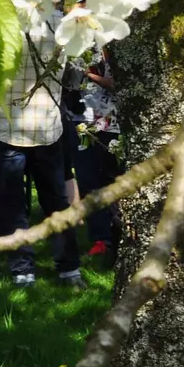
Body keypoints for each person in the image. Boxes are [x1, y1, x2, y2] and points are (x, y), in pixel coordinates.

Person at [0, 41, 84, 287]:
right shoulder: (62, 27)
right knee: (56, 200)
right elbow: (73, 80)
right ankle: (69, 269)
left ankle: (23, 270)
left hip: (5, 125)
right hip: (46, 125)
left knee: (12, 203)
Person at [76, 48, 120, 258]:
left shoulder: (119, 48)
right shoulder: (83, 47)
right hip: (84, 124)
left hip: (112, 125)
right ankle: (100, 239)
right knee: (88, 182)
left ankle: (118, 234)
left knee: (114, 181)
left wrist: (88, 74)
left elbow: (115, 84)